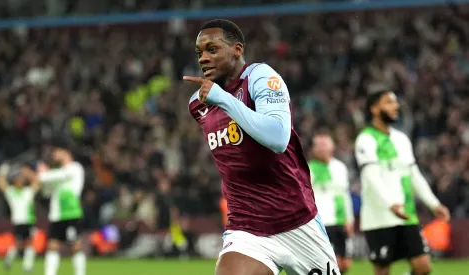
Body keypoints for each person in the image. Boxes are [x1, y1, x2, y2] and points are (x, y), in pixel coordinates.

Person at [186, 19, 339, 275]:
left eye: (212, 49)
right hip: (247, 228)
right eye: (199, 53)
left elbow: (278, 138)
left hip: (296, 222)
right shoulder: (198, 104)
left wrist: (222, 98)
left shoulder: (261, 77)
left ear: (237, 49)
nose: (203, 58)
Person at [354, 89, 451, 275]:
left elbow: (414, 174)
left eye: (395, 102)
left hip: (407, 214)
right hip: (379, 217)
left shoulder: (401, 139)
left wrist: (434, 204)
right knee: (382, 270)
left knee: (423, 267)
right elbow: (370, 176)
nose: (396, 106)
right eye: (389, 102)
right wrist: (391, 204)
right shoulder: (366, 139)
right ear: (374, 109)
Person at [35, 138, 86, 275]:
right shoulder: (57, 173)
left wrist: (43, 173)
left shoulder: (75, 168)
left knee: (75, 245)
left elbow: (47, 177)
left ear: (65, 152)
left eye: (56, 151)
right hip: (57, 214)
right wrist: (44, 177)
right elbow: (46, 192)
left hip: (71, 212)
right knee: (52, 246)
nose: (54, 154)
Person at [309, 131, 354, 273]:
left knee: (344, 264)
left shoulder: (340, 168)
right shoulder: (308, 169)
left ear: (332, 146)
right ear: (313, 149)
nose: (322, 148)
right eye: (318, 145)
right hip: (320, 223)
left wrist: (349, 219)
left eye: (325, 144)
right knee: (323, 263)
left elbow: (345, 194)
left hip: (340, 221)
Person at [0, 163, 39, 273]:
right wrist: (3, 171)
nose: (21, 180)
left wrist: (29, 173)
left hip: (29, 220)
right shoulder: (11, 192)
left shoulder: (27, 191)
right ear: (14, 181)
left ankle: (27, 266)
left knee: (29, 243)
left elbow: (37, 183)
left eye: (22, 179)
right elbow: (1, 184)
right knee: (19, 243)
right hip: (19, 221)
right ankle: (10, 259)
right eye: (19, 179)